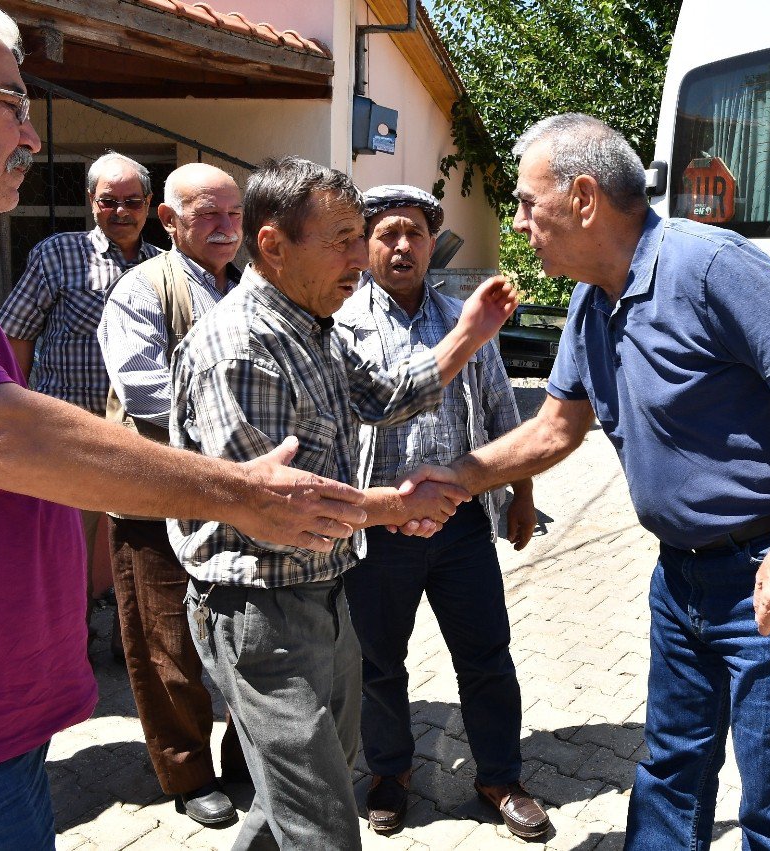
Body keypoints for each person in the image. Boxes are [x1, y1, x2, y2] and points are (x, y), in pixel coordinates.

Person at [0, 5, 366, 848]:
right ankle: (186, 772)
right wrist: (237, 488)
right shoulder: (105, 278)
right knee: (163, 648)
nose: (28, 132)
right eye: (11, 103)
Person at [402, 113, 770, 848]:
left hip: (768, 568)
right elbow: (556, 429)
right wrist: (453, 476)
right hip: (680, 580)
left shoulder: (710, 267)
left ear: (583, 198)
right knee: (670, 770)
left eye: (526, 202)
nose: (517, 222)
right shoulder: (592, 297)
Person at [168, 156, 519, 850]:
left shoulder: (311, 321)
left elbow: (385, 395)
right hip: (263, 613)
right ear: (273, 244)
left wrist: (468, 335)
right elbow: (280, 510)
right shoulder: (241, 346)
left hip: (325, 590)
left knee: (286, 800)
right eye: (344, 239)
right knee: (324, 823)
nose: (361, 257)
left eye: (362, 237)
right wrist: (395, 507)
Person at [335, 184, 549, 839]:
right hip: (379, 534)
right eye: (388, 233)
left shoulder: (466, 316)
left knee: (486, 654)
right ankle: (391, 773)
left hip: (462, 530)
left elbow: (501, 413)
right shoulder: (341, 323)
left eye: (416, 234)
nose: (403, 246)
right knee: (379, 664)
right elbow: (339, 432)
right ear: (365, 243)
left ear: (433, 243)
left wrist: (522, 495)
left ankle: (499, 775)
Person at [98, 162, 246, 825]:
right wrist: (244, 414)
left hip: (231, 495)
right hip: (153, 495)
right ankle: (187, 773)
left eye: (234, 214)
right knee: (164, 641)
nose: (224, 228)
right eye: (206, 215)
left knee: (247, 634)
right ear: (168, 220)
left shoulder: (248, 286)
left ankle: (249, 758)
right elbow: (141, 388)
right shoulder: (142, 289)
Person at [0, 151, 161, 638]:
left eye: (132, 201)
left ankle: (124, 640)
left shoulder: (162, 267)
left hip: (135, 434)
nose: (121, 211)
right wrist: (15, 410)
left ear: (149, 205)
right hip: (68, 429)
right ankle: (70, 639)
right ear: (91, 202)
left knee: (129, 541)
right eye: (109, 201)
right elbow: (16, 332)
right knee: (68, 543)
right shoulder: (59, 255)